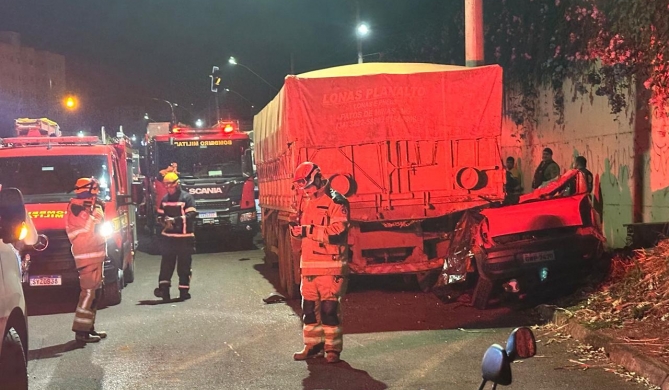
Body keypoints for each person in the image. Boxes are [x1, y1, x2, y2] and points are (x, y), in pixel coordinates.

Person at [291, 162, 350, 364]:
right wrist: (296, 231)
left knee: (329, 310)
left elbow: (337, 233)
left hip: (331, 267)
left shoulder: (337, 201)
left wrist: (307, 231)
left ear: (316, 178)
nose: (304, 190)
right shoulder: (305, 200)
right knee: (308, 310)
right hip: (309, 266)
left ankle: (332, 349)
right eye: (301, 186)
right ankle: (312, 345)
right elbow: (302, 228)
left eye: (305, 185)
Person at [65, 177, 107, 343]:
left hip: (95, 254)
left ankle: (89, 328)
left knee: (95, 294)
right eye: (94, 188)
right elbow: (91, 225)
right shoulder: (76, 207)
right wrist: (97, 211)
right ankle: (81, 333)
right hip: (87, 255)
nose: (97, 192)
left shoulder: (86, 205)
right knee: (89, 294)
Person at [153, 172, 197, 302]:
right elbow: (159, 215)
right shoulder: (165, 199)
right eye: (165, 185)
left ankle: (183, 292)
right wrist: (162, 221)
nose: (167, 187)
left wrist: (174, 220)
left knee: (184, 266)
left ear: (177, 184)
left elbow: (191, 215)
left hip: (184, 238)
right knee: (166, 266)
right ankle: (164, 292)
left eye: (169, 185)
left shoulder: (187, 198)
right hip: (169, 239)